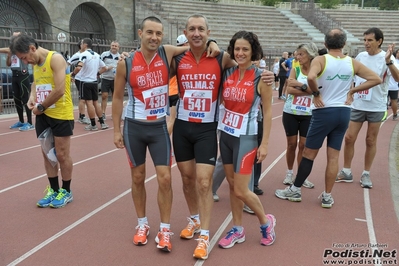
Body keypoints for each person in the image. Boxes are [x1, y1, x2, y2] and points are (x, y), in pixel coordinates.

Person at [112, 16, 220, 253]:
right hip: (134, 127)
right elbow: (118, 97)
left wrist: (212, 42)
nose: (154, 38)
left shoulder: (167, 52)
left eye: (158, 33)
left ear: (163, 36)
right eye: (149, 33)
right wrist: (116, 129)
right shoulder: (126, 62)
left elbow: (196, 44)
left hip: (159, 127)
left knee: (165, 179)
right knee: (138, 178)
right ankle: (142, 224)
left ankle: (164, 229)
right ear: (140, 33)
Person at [275, 28, 381, 208]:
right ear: (344, 44)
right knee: (333, 157)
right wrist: (352, 90)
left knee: (309, 153)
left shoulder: (321, 59)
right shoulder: (351, 62)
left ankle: (295, 189)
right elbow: (376, 79)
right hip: (344, 113)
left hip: (324, 111)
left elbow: (310, 77)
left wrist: (316, 94)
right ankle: (327, 196)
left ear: (325, 44)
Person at [170, 14, 239, 260]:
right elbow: (153, 53)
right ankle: (194, 219)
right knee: (187, 179)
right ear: (185, 32)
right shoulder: (177, 58)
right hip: (182, 127)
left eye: (201, 29)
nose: (196, 33)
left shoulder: (221, 58)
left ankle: (205, 235)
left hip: (207, 129)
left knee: (203, 182)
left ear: (208, 32)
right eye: (192, 29)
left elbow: (248, 57)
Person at [217, 30, 275, 249]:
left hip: (247, 138)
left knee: (241, 189)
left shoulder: (262, 77)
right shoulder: (227, 72)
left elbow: (268, 113)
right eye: (237, 49)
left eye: (245, 49)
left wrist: (265, 143)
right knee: (232, 187)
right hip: (227, 135)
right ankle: (238, 229)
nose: (240, 53)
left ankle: (265, 222)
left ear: (253, 52)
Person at [9, 34, 75, 208]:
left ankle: (66, 191)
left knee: (61, 154)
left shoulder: (56, 59)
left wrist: (42, 106)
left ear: (32, 48)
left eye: (24, 58)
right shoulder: (35, 63)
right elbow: (35, 83)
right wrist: (32, 97)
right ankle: (53, 190)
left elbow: (60, 89)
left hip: (60, 114)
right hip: (43, 114)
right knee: (47, 154)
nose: (25, 62)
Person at [336, 28, 399, 188]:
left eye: (370, 40)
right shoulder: (360, 56)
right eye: (364, 40)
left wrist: (388, 61)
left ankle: (366, 174)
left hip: (376, 106)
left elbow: (397, 78)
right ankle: (347, 171)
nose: (366, 43)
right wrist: (349, 93)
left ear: (379, 41)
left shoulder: (388, 57)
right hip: (358, 103)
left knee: (370, 140)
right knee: (349, 138)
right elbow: (353, 75)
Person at [281, 43, 318, 189]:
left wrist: (300, 85)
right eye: (297, 54)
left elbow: (319, 91)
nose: (297, 57)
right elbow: (289, 90)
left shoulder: (317, 71)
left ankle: (300, 176)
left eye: (301, 54)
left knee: (303, 146)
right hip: (291, 112)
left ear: (310, 55)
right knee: (291, 145)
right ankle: (289, 173)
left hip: (308, 113)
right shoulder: (295, 69)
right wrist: (310, 90)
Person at [73, 38, 108, 131]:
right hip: (94, 82)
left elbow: (79, 67)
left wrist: (72, 74)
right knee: (96, 102)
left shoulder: (84, 54)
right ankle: (102, 122)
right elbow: (104, 68)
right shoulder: (97, 55)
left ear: (85, 45)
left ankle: (93, 124)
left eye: (81, 44)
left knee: (89, 103)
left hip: (85, 82)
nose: (80, 45)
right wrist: (97, 74)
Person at [6, 32, 34, 131]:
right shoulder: (12, 51)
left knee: (25, 99)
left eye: (15, 37)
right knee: (16, 99)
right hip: (14, 76)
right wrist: (9, 56)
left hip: (23, 76)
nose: (13, 39)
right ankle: (21, 121)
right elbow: (8, 63)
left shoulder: (22, 49)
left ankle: (30, 122)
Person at [167, 34, 189, 134]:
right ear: (185, 44)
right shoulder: (182, 59)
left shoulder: (173, 57)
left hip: (169, 93)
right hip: (176, 93)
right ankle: (165, 142)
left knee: (170, 120)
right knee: (173, 121)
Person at [68, 41, 89, 124]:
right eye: (83, 44)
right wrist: (71, 75)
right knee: (82, 98)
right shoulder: (77, 55)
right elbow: (68, 63)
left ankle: (82, 115)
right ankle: (82, 116)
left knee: (87, 99)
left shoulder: (88, 54)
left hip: (87, 79)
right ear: (80, 46)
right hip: (80, 79)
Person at [100, 41, 120, 120]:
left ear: (118, 47)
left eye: (116, 46)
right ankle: (103, 113)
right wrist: (107, 68)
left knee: (115, 97)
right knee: (104, 96)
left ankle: (114, 113)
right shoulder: (104, 55)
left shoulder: (120, 57)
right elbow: (99, 65)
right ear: (110, 46)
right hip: (105, 78)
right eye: (113, 45)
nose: (114, 47)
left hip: (115, 79)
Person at [387, 48, 399, 120]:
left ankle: (393, 114)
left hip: (391, 85)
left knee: (391, 100)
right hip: (392, 85)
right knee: (393, 100)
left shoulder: (389, 63)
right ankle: (394, 114)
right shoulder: (395, 63)